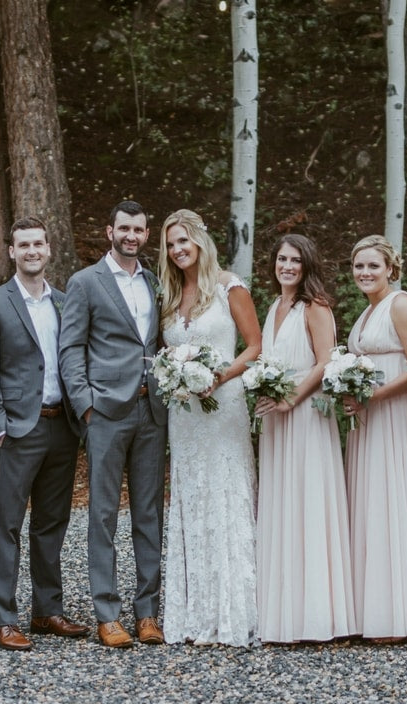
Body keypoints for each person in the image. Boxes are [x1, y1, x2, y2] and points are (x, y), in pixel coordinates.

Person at [0, 217, 87, 651]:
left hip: (63, 426)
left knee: (52, 522)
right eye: (24, 245)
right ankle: (3, 616)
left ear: (49, 249)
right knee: (7, 524)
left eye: (38, 243)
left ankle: (47, 610)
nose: (32, 251)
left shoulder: (64, 301)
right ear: (12, 252)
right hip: (20, 428)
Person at [58, 200, 168, 649]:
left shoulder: (155, 282)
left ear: (146, 234)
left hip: (151, 411)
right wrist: (86, 407)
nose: (132, 236)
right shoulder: (85, 282)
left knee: (149, 515)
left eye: (139, 230)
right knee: (102, 514)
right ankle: (107, 613)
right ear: (109, 231)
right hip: (105, 412)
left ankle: (147, 613)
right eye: (124, 228)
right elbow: (70, 350)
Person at [158, 209, 261, 647]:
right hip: (183, 415)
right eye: (170, 244)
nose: (178, 249)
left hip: (223, 406)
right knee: (193, 495)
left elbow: (255, 346)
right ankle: (196, 613)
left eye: (184, 241)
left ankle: (236, 612)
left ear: (200, 241)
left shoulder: (228, 286)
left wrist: (218, 376)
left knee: (224, 494)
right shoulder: (169, 292)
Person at [254, 234, 355, 643]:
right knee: (282, 504)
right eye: (282, 259)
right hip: (276, 418)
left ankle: (318, 614)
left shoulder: (316, 306)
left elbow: (326, 362)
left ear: (307, 265)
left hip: (307, 415)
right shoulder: (274, 306)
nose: (288, 266)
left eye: (296, 260)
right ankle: (283, 612)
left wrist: (291, 399)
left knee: (309, 502)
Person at [343, 234, 407, 641]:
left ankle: (402, 614)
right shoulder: (366, 313)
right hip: (369, 420)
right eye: (359, 266)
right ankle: (374, 610)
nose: (365, 273)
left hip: (397, 416)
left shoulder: (401, 304)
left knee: (395, 500)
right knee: (372, 503)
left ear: (391, 270)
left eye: (373, 266)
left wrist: (372, 396)